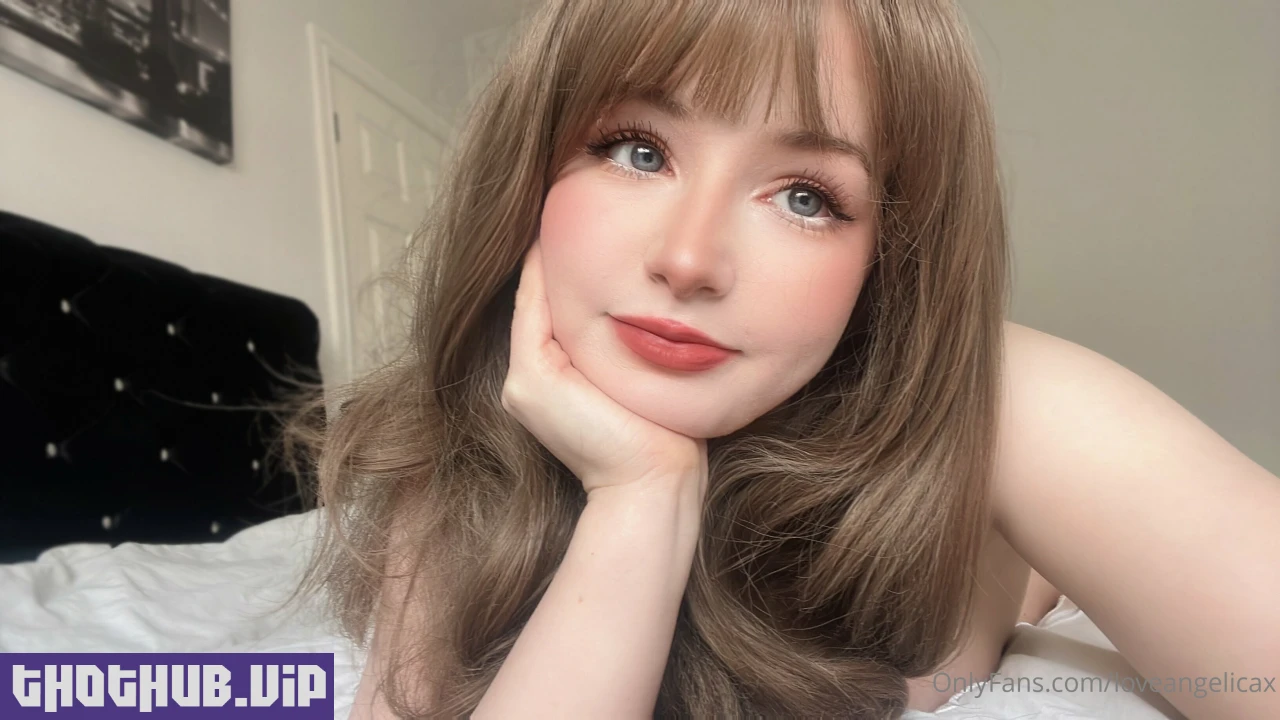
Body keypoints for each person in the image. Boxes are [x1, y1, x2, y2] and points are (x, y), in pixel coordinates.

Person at [284, 1, 1280, 718]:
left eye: (806, 196)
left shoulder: (1010, 402)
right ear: (530, 169)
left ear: (888, 257)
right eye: (636, 149)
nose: (688, 259)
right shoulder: (448, 460)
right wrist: (640, 499)